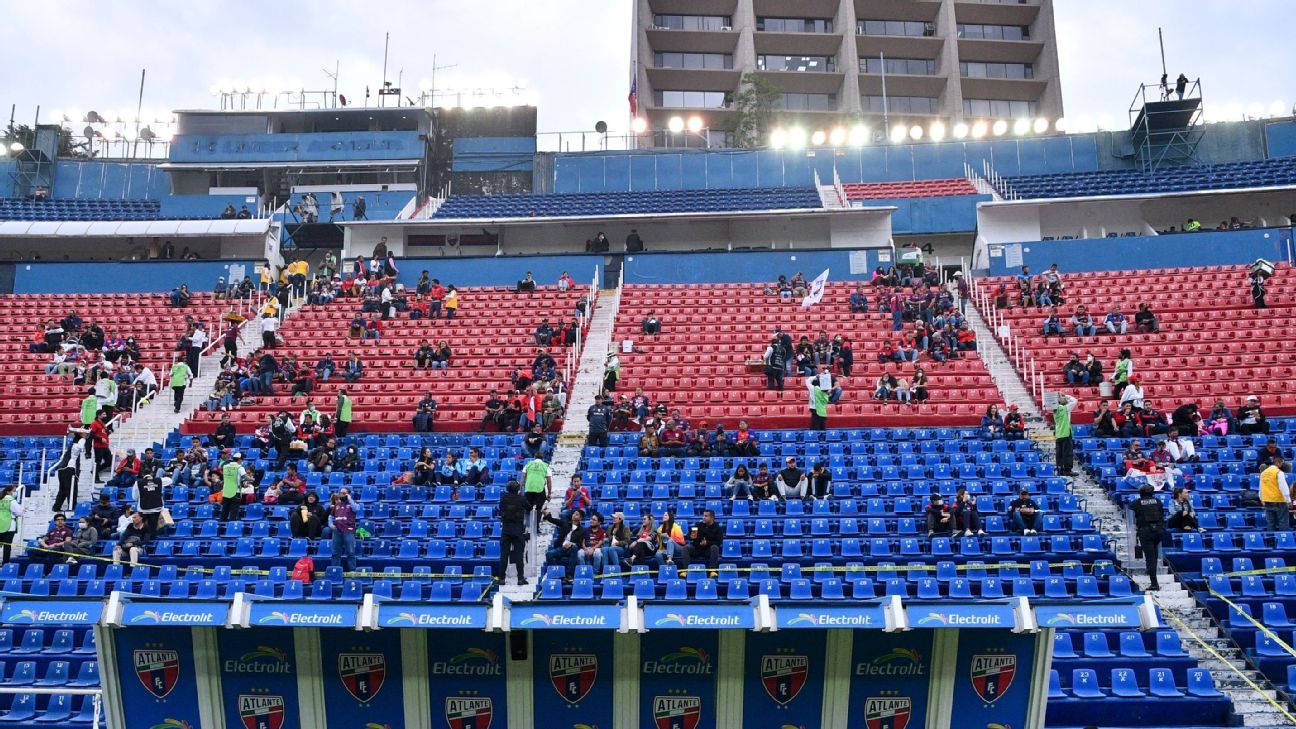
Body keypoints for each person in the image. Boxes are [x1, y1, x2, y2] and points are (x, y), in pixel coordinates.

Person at [1132, 483, 1167, 591]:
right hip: (1158, 531)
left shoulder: (1137, 503)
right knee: (1154, 556)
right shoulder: (1158, 501)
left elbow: (1129, 507)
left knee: (1150, 557)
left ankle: (1154, 583)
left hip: (1146, 532)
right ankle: (1151, 571)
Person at [497, 480, 529, 585]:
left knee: (504, 555)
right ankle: (520, 578)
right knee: (519, 555)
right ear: (518, 489)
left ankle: (501, 578)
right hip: (518, 529)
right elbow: (529, 507)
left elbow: (500, 509)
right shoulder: (521, 499)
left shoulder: (503, 499)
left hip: (506, 529)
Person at [685, 509, 724, 576]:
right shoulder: (698, 525)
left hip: (708, 551)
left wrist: (707, 543)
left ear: (712, 518)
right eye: (703, 515)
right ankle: (686, 570)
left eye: (706, 516)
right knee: (686, 548)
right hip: (697, 549)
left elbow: (718, 542)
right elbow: (688, 536)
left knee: (715, 547)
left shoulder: (717, 528)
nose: (703, 517)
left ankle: (712, 571)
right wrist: (691, 536)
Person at [329, 490, 359, 574]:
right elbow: (331, 517)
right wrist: (331, 524)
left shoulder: (353, 503)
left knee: (350, 551)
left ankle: (352, 570)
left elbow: (356, 509)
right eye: (341, 493)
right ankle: (335, 570)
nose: (342, 494)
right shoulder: (337, 505)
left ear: (348, 494)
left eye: (344, 493)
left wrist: (350, 499)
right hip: (337, 531)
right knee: (335, 552)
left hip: (348, 530)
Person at [1054, 393, 1077, 476]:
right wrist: (1066, 395)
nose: (1064, 398)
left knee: (1059, 454)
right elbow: (1074, 400)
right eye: (1061, 397)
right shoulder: (1065, 408)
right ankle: (1067, 470)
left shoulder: (1055, 410)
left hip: (1059, 434)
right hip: (1066, 433)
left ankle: (1060, 470)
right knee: (1067, 452)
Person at [220, 452, 246, 522]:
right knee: (234, 511)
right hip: (235, 491)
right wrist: (253, 479)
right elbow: (245, 477)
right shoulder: (240, 467)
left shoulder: (225, 466)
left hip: (226, 491)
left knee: (224, 510)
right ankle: (231, 528)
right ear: (239, 460)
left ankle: (222, 525)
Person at [0, 486, 22, 564]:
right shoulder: (11, 500)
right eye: (14, 491)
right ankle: (5, 563)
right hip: (9, 526)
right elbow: (19, 512)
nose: (15, 492)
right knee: (7, 546)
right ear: (8, 492)